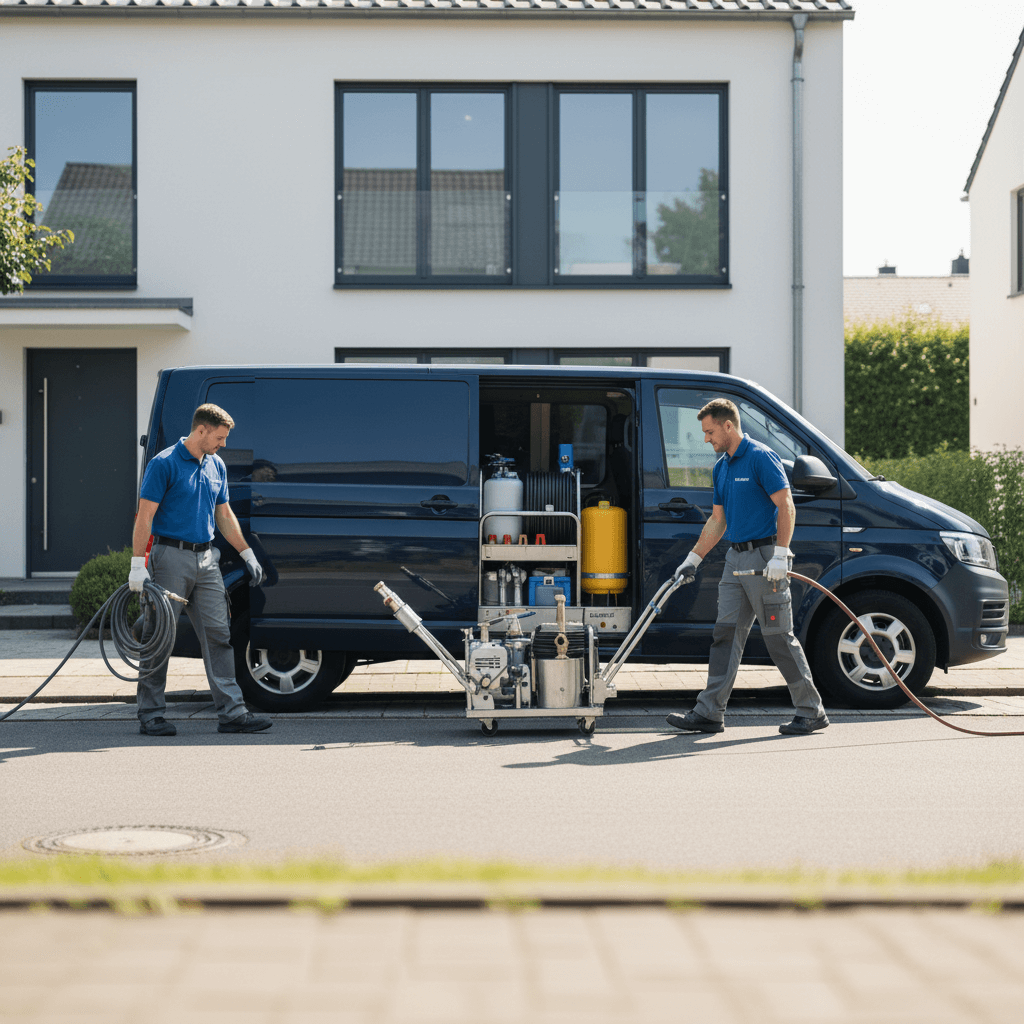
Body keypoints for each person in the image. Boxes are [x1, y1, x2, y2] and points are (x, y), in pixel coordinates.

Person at [667, 398, 829, 736]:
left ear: (728, 426)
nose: (707, 439)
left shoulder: (760, 457)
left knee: (778, 638)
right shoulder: (721, 467)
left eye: (710, 431)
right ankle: (709, 712)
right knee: (724, 635)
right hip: (734, 560)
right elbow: (717, 520)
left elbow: (786, 505)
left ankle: (811, 711)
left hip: (764, 560)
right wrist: (693, 558)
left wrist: (781, 554)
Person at [129, 403, 272, 737]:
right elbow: (145, 517)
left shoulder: (216, 465)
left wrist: (246, 552)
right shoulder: (163, 464)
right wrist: (138, 565)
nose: (222, 444)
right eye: (219, 437)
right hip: (170, 557)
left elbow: (223, 514)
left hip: (207, 559)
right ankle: (151, 713)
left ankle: (232, 714)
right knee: (159, 635)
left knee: (219, 635)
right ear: (202, 429)